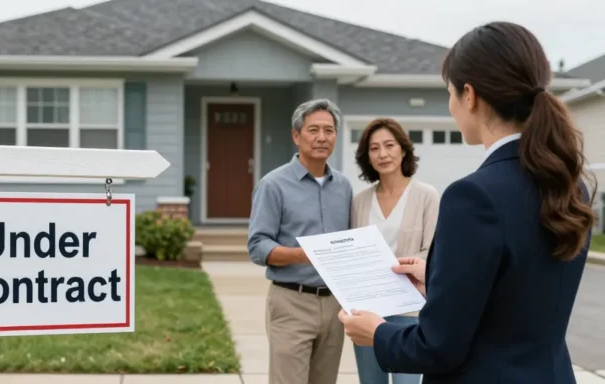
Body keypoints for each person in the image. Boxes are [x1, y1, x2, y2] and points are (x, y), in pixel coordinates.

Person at [337, 21, 597, 384]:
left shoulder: (473, 196)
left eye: (450, 92)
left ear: (469, 95)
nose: (451, 105)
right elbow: (520, 293)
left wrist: (377, 332)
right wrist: (441, 281)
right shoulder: (570, 187)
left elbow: (438, 346)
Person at [248, 98, 354, 384]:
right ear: (297, 136)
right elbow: (257, 247)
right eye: (313, 130)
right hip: (291, 303)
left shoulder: (344, 187)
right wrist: (302, 254)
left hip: (333, 306)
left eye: (329, 130)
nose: (322, 137)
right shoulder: (273, 185)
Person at [350, 118, 440, 384]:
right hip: (369, 311)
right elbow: (356, 254)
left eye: (389, 145)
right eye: (374, 148)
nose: (383, 154)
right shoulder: (360, 201)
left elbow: (432, 252)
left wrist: (394, 268)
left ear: (403, 149)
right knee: (371, 381)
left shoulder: (427, 195)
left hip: (409, 311)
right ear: (367, 157)